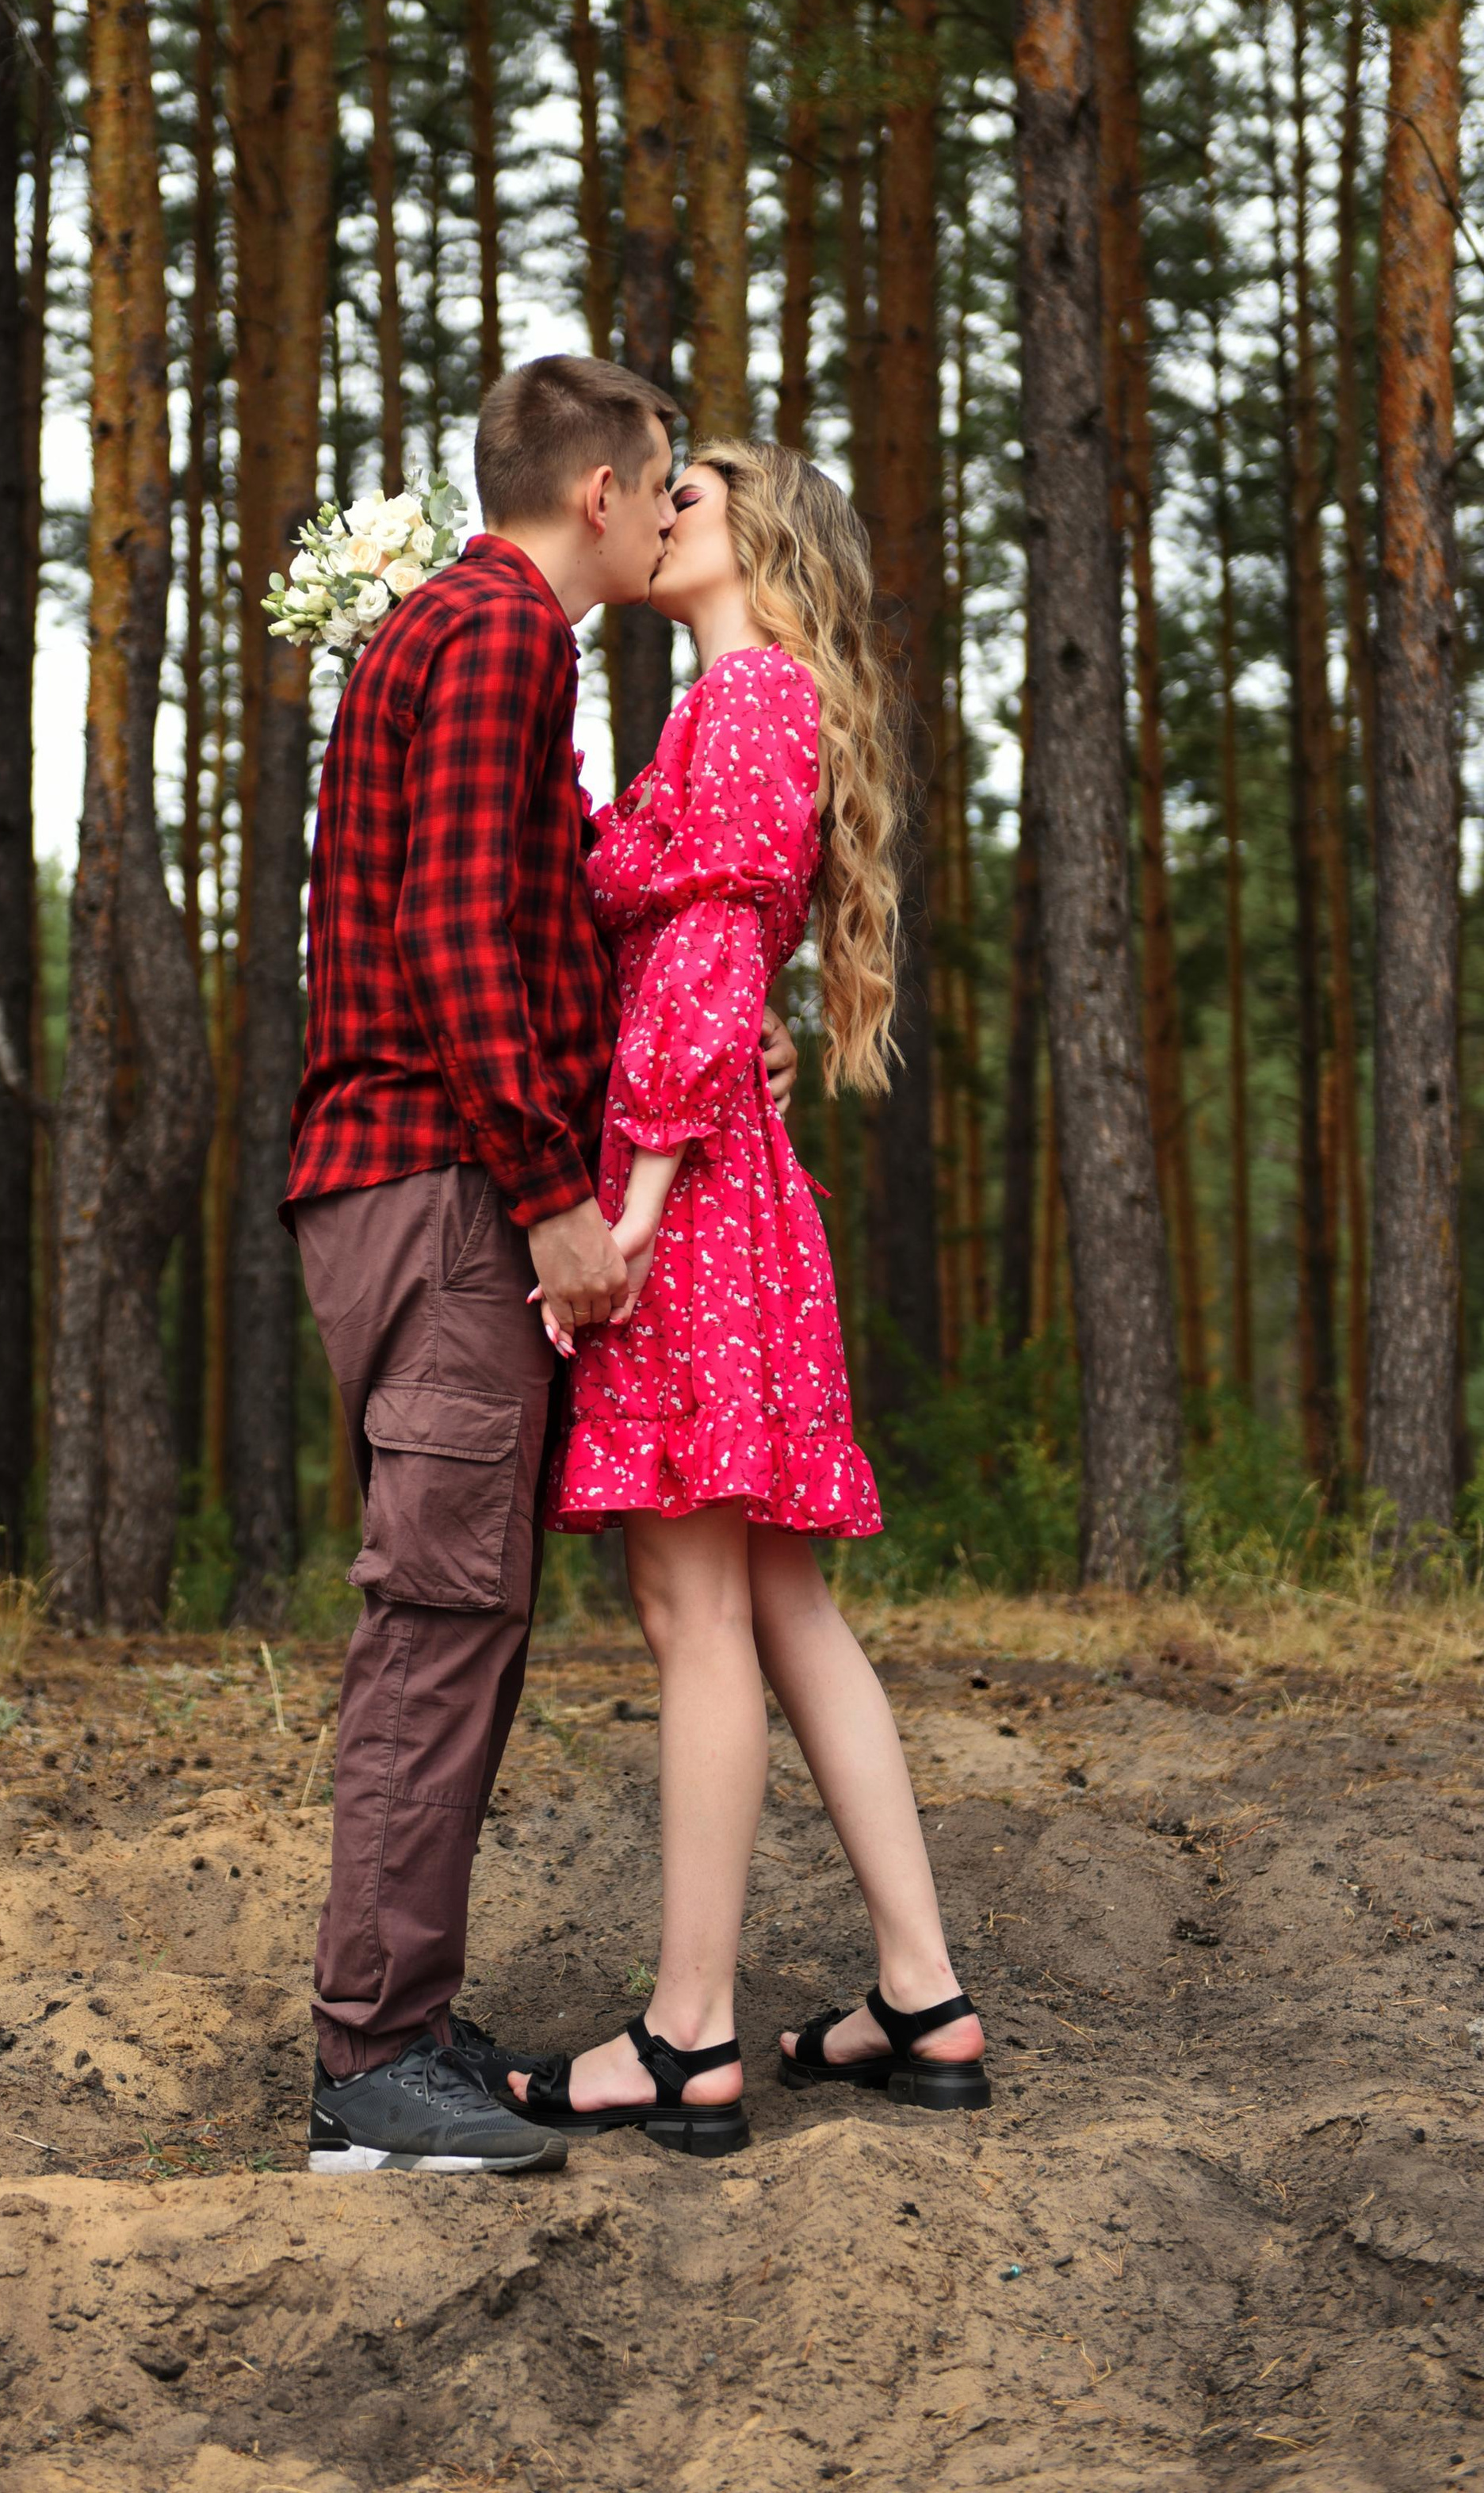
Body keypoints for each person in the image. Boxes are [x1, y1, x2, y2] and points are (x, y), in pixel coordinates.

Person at [286, 358, 798, 2176]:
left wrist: (716, 1037)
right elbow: (451, 937)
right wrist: (547, 1197)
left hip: (420, 1184)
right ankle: (368, 2066)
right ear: (600, 495)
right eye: (663, 485)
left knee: (465, 1610)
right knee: (437, 1618)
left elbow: (539, 905)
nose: (670, 514)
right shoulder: (503, 636)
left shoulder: (459, 632)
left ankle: (407, 2021)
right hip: (436, 1188)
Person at [508, 438, 989, 2156]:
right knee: (782, 1605)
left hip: (688, 1198)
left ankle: (687, 2032)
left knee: (692, 1609)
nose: (656, 506)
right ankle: (920, 1995)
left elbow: (710, 961)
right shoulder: (731, 709)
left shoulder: (748, 698)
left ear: (759, 534)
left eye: (689, 490)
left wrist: (629, 1215)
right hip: (714, 1174)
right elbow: (695, 949)